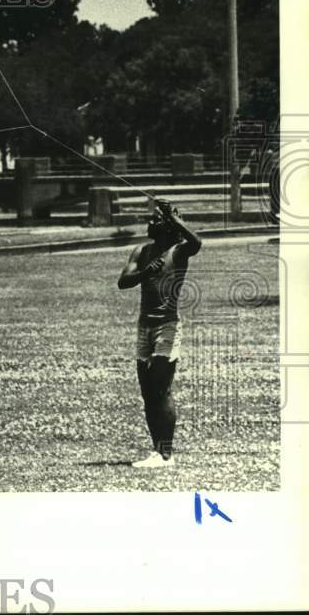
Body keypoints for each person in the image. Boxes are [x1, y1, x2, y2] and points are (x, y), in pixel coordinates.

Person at [117, 199, 202, 468]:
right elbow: (123, 282)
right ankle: (157, 452)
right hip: (145, 327)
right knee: (147, 392)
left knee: (161, 389)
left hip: (168, 326)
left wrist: (174, 217)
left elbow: (197, 242)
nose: (149, 224)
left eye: (156, 221)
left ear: (167, 227)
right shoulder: (141, 251)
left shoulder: (179, 251)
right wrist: (145, 272)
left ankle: (166, 454)